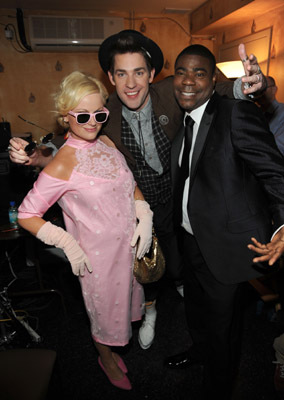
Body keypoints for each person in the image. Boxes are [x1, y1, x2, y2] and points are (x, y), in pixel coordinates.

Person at [8, 31, 266, 351]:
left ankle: (184, 293)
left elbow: (216, 87)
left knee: (178, 265)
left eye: (139, 72)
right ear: (111, 78)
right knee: (145, 270)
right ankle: (151, 311)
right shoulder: (105, 110)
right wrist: (33, 155)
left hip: (177, 199)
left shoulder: (171, 92)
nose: (131, 83)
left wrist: (248, 84)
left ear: (152, 75)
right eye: (121, 73)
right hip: (136, 205)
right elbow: (65, 145)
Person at [17, 71, 154, 391]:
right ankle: (105, 358)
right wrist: (67, 243)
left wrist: (143, 212)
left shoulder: (106, 142)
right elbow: (26, 214)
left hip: (129, 250)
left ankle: (111, 350)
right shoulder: (62, 163)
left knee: (126, 305)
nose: (92, 122)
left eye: (99, 114)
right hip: (97, 261)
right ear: (66, 117)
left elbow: (129, 184)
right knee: (104, 316)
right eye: (82, 115)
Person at [169, 44, 284, 399]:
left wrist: (282, 226)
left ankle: (219, 387)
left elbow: (276, 174)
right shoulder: (181, 117)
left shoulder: (236, 112)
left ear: (214, 79)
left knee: (223, 331)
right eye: (181, 72)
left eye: (199, 73)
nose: (188, 81)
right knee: (197, 315)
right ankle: (199, 352)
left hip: (227, 246)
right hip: (191, 241)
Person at [256, 75, 284, 155]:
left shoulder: (282, 113)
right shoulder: (254, 113)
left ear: (274, 89)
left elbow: (279, 147)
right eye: (257, 88)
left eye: (264, 88)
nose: (259, 92)